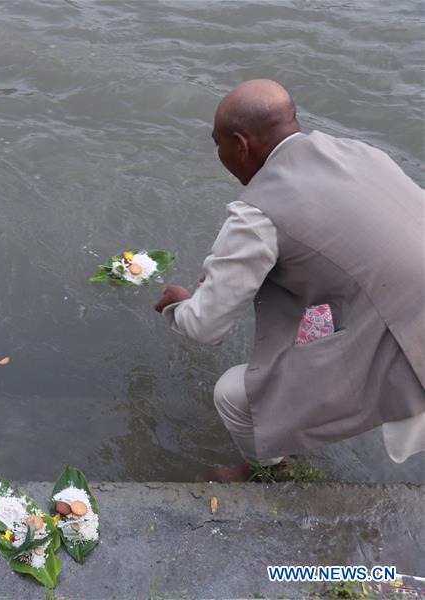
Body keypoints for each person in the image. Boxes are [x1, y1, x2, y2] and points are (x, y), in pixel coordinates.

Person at [153, 80, 425, 481]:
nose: (220, 154)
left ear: (240, 144)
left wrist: (181, 304)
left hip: (411, 350)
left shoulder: (256, 215)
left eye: (218, 144)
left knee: (234, 395)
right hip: (402, 307)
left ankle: (268, 475)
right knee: (310, 331)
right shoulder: (363, 153)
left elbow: (206, 327)